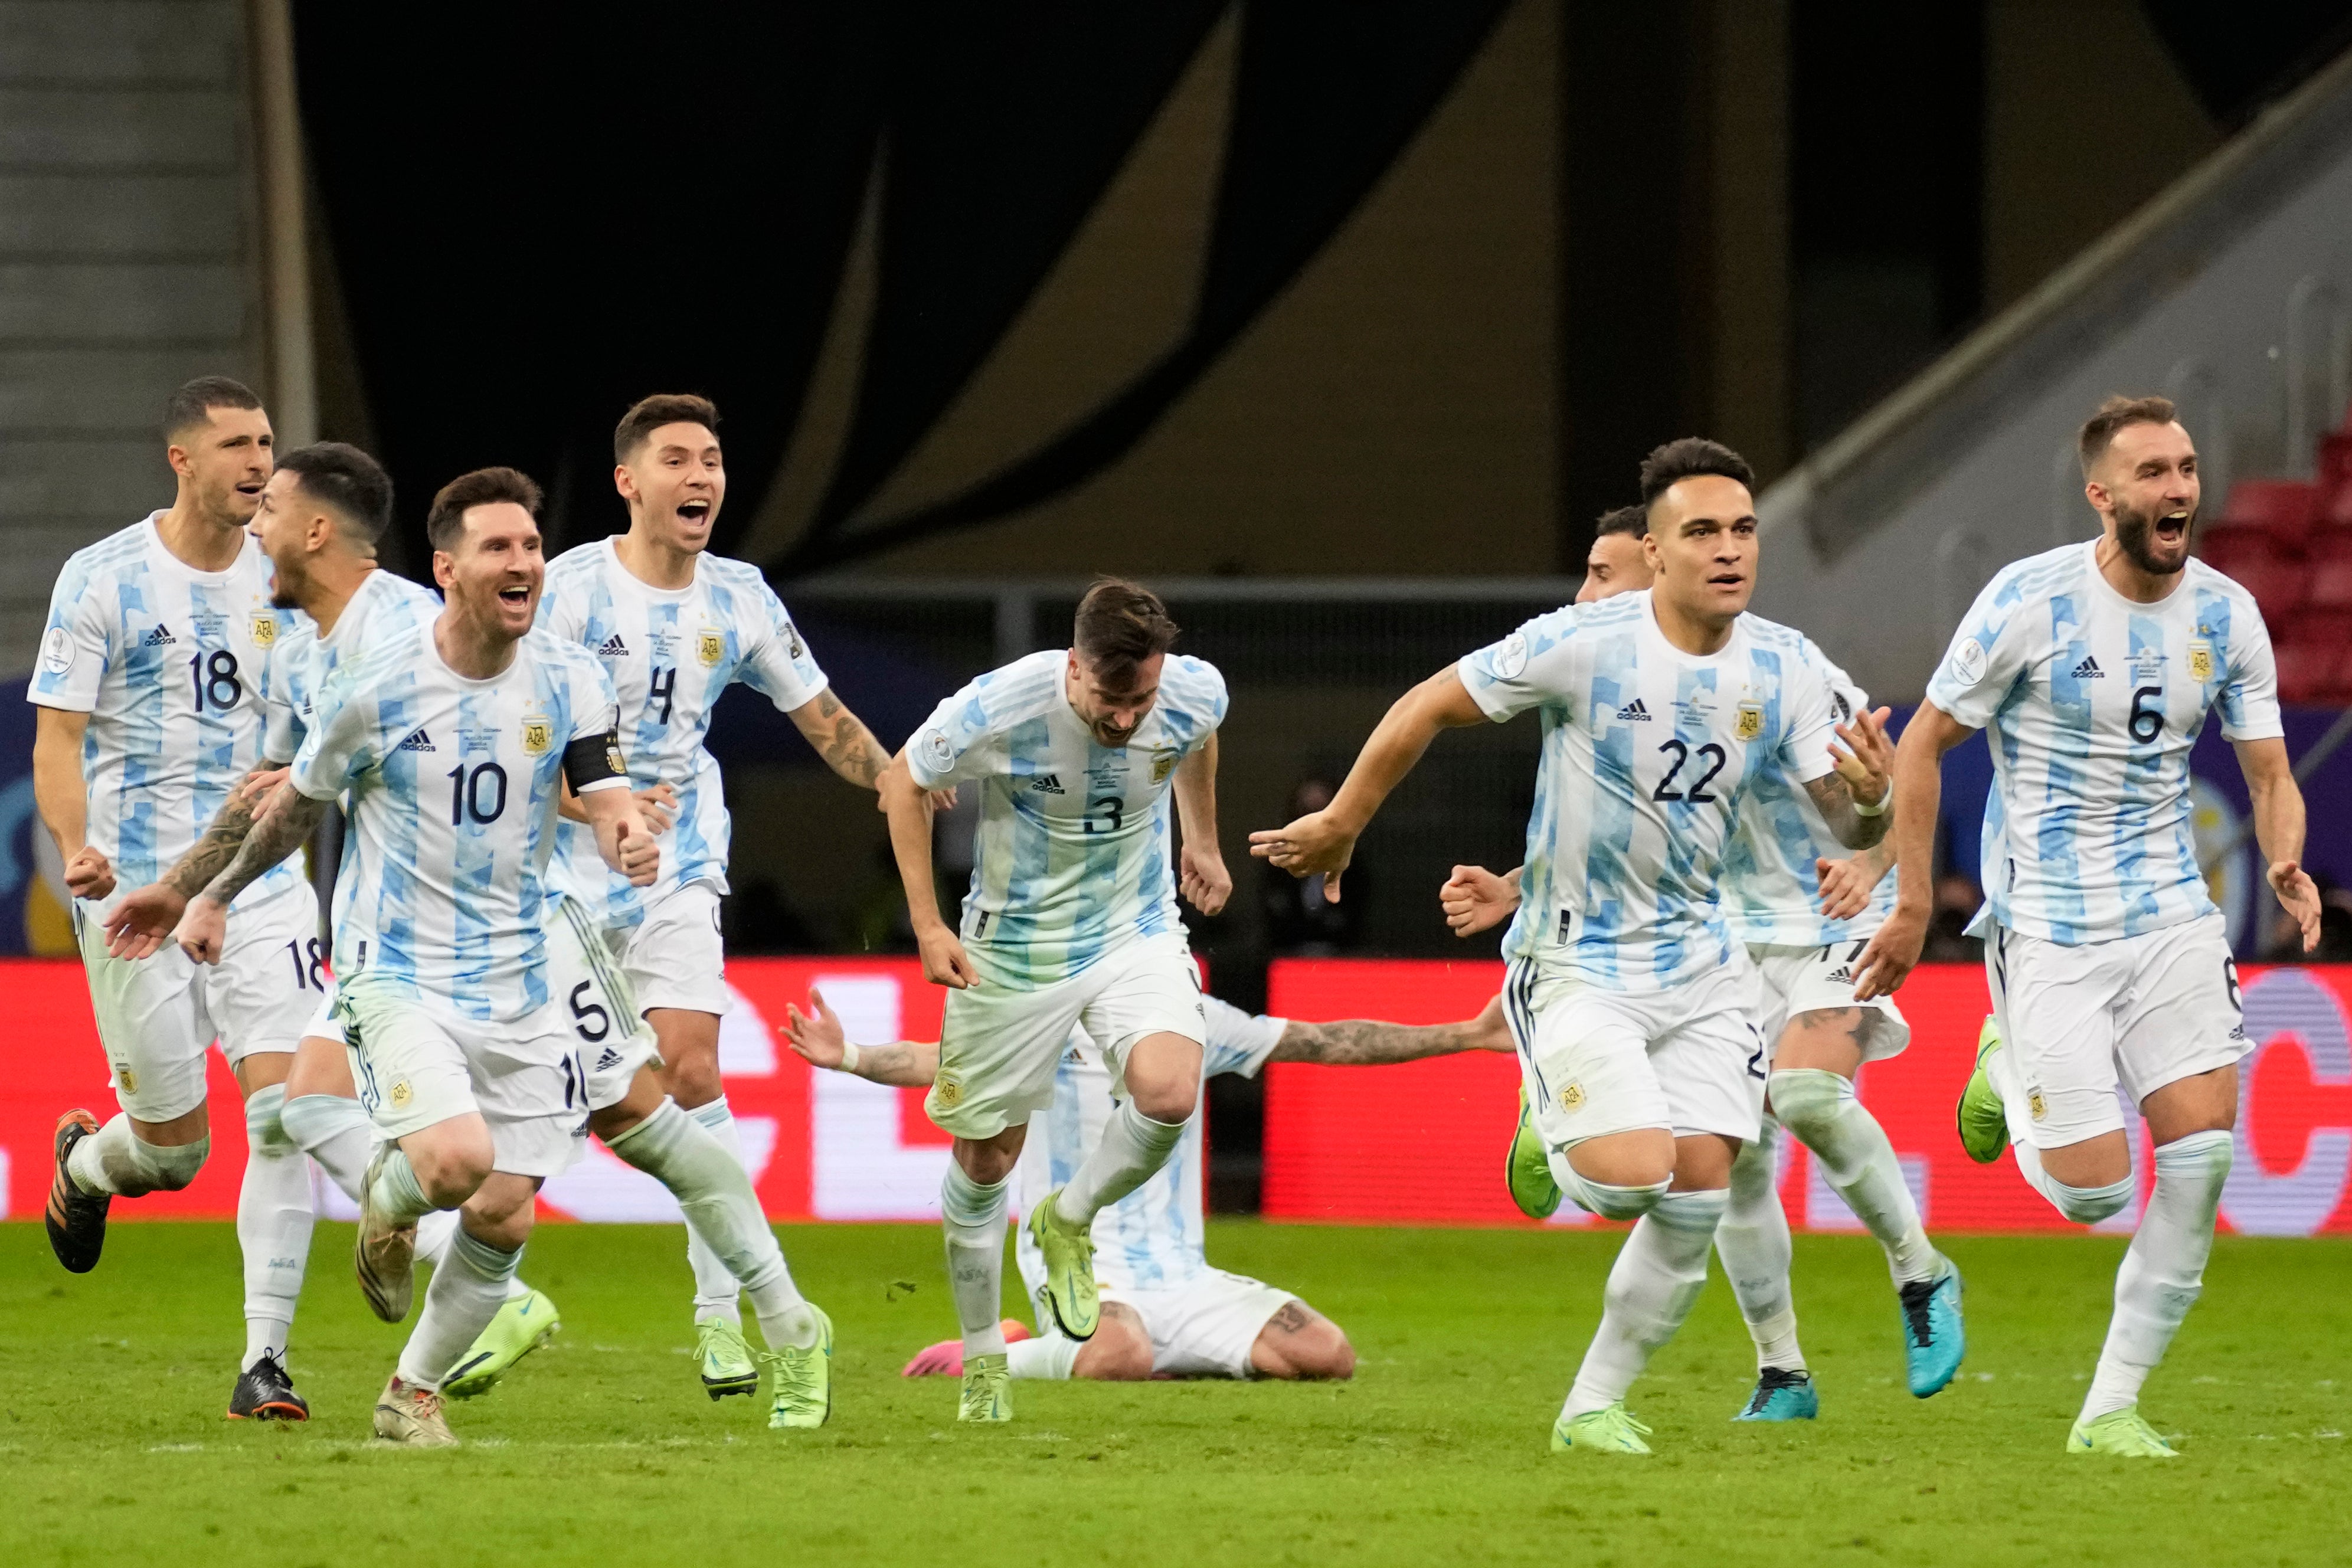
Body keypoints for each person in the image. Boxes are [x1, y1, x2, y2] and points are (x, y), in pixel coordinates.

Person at [1253, 438, 1893, 1454]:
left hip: (1703, 965)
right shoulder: (1586, 643)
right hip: (1580, 964)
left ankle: (1593, 1405)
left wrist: (1871, 797)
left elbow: (1849, 828)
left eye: (1743, 529)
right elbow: (1428, 702)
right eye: (1702, 532)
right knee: (1629, 1174)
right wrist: (1342, 819)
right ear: (1656, 548)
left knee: (1698, 1190)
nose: (1730, 550)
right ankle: (1542, 1084)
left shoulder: (1786, 665)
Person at [1855, 394, 2322, 1458]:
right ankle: (2002, 1053)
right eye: (2154, 472)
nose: (2180, 489)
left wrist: (2285, 854)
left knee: (2201, 1161)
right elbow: (1924, 744)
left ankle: (2112, 1408)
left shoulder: (2225, 614)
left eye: (2190, 468)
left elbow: (2269, 772)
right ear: (2102, 494)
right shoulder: (2030, 601)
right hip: (2052, 922)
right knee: (2094, 1191)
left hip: (2169, 913)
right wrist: (1915, 901)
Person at [171, 465, 660, 1447]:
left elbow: (602, 787)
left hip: (519, 979)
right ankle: (389, 1213)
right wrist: (215, 896)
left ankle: (412, 1393)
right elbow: (295, 809)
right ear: (447, 569)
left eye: (530, 546)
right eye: (499, 547)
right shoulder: (381, 688)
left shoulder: (570, 677)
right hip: (393, 969)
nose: (523, 562)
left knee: (507, 1218)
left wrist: (626, 832)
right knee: (454, 1160)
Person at [1444, 513, 1964, 1420]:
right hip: (1723, 936)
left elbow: (1899, 771)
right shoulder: (1616, 679)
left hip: (1832, 917)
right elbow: (1625, 837)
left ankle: (1921, 1273)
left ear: (1652, 570)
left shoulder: (1778, 669)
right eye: (1586, 577)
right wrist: (1517, 886)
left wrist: (1881, 868)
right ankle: (1783, 1372)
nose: (1587, 597)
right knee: (1738, 1163)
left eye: (1603, 574)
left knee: (1804, 1094)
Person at [531, 392, 895, 1406]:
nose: (702, 478)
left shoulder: (738, 597)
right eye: (679, 459)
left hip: (681, 863)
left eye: (713, 462)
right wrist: (594, 807)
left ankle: (722, 1315)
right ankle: (473, 1303)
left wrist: (902, 774)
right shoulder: (564, 593)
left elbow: (821, 717)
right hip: (561, 872)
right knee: (591, 1104)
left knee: (691, 1070)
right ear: (628, 481)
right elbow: (511, 736)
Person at [31, 377, 328, 1421]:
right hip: (136, 889)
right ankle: (88, 1164)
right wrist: (76, 846)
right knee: (175, 1151)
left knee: (286, 1111)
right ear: (183, 461)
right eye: (237, 444)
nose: (259, 461)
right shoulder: (103, 577)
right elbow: (57, 740)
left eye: (267, 443)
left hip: (260, 877)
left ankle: (265, 1362)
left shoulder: (292, 577)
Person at [879, 577, 1231, 1423]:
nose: (1125, 719)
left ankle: (1067, 1219)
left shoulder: (1192, 689)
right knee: (985, 1159)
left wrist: (1204, 841)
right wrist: (928, 926)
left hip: (1134, 930)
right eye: (1111, 699)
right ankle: (985, 1362)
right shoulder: (999, 708)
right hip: (1014, 948)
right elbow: (900, 781)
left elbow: (1197, 737)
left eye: (1140, 697)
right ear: (1073, 669)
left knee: (1170, 1092)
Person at [783, 987, 1510, 1382]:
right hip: (1078, 1271)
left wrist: (1465, 1034)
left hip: (1181, 1275)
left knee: (1326, 1354)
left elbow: (1325, 1041)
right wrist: (846, 1053)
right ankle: (990, 1352)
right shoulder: (1045, 1015)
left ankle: (1130, 1351)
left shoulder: (1191, 1023)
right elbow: (929, 1058)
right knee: (1118, 1351)